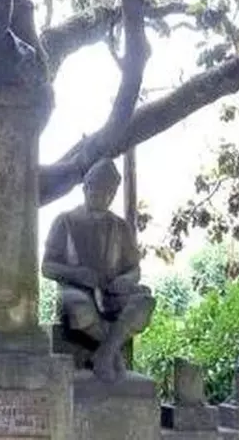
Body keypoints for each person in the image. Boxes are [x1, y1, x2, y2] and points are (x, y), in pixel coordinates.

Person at [42, 159, 156, 381]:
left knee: (144, 302)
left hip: (112, 293)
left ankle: (104, 354)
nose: (104, 197)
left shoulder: (121, 227)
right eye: (98, 191)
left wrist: (126, 280)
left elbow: (134, 269)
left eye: (109, 193)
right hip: (76, 291)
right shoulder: (65, 221)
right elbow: (47, 267)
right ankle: (112, 354)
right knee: (78, 307)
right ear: (86, 189)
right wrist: (77, 274)